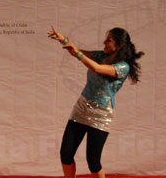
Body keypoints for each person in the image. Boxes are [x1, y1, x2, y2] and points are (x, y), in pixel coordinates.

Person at [48, 26, 143, 178]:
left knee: (93, 161)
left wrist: (77, 53)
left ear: (119, 45)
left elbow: (97, 69)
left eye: (109, 40)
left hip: (101, 115)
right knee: (65, 154)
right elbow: (75, 51)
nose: (104, 42)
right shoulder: (100, 55)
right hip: (81, 109)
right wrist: (64, 40)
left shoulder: (122, 67)